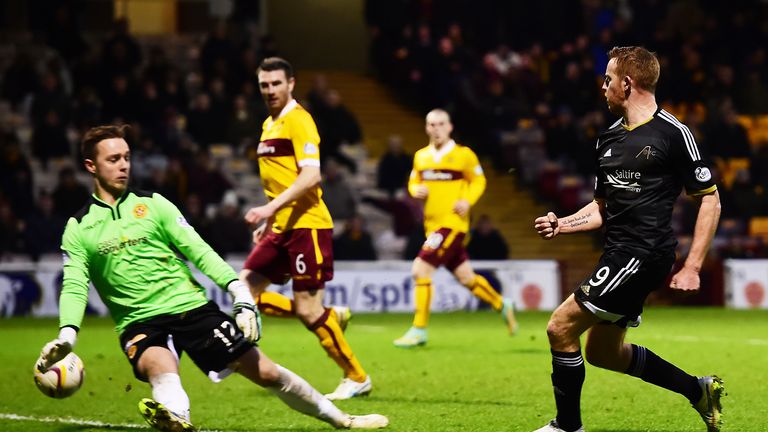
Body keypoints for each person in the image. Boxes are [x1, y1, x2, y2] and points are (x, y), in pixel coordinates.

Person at [35, 125, 388, 431]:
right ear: (91, 166)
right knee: (159, 365)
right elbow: (75, 283)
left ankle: (341, 419)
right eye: (114, 159)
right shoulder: (79, 228)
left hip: (190, 307)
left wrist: (240, 293)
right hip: (138, 321)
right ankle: (177, 420)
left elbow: (199, 251)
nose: (124, 164)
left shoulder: (155, 204)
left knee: (266, 373)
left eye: (127, 156)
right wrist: (68, 333)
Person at [532, 46, 724, 432]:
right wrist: (562, 224)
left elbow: (710, 200)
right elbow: (601, 207)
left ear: (627, 83)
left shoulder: (674, 133)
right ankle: (698, 391)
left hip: (643, 253)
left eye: (607, 79)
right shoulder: (608, 139)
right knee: (603, 353)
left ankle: (567, 426)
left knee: (560, 327)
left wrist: (693, 266)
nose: (602, 87)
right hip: (619, 252)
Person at [239, 57, 373, 401]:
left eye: (276, 84)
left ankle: (356, 376)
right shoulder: (269, 125)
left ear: (291, 84)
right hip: (281, 226)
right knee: (244, 291)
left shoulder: (299, 121)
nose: (270, 90)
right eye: (264, 85)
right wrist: (271, 218)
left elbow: (311, 175)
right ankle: (331, 317)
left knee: (308, 310)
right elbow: (279, 177)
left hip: (307, 227)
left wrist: (269, 208)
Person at [393, 109, 518, 348]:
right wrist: (414, 190)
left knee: (420, 270)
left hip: (452, 225)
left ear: (449, 127)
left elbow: (479, 180)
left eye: (440, 124)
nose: (436, 129)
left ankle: (419, 329)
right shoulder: (421, 156)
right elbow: (413, 180)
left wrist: (467, 201)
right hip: (432, 226)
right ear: (427, 128)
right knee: (466, 277)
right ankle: (502, 304)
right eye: (431, 125)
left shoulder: (464, 155)